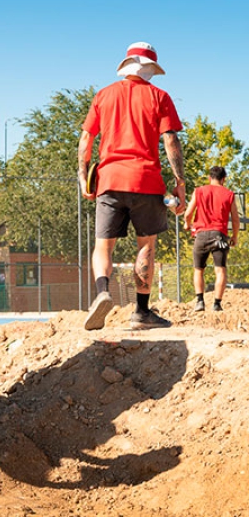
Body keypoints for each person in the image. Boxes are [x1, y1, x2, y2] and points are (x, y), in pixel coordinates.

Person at [78, 42, 186, 331]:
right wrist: (180, 183)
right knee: (145, 244)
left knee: (104, 246)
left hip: (109, 179)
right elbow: (171, 141)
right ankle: (141, 312)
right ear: (149, 69)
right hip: (146, 180)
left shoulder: (103, 95)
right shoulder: (159, 97)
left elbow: (86, 141)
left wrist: (82, 177)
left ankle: (102, 292)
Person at [184, 166, 240, 311]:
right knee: (220, 270)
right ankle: (216, 304)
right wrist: (234, 236)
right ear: (223, 179)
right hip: (219, 236)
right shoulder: (229, 194)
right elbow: (235, 219)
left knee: (198, 270)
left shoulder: (199, 191)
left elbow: (188, 213)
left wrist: (187, 224)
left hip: (201, 235)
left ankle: (200, 301)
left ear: (210, 178)